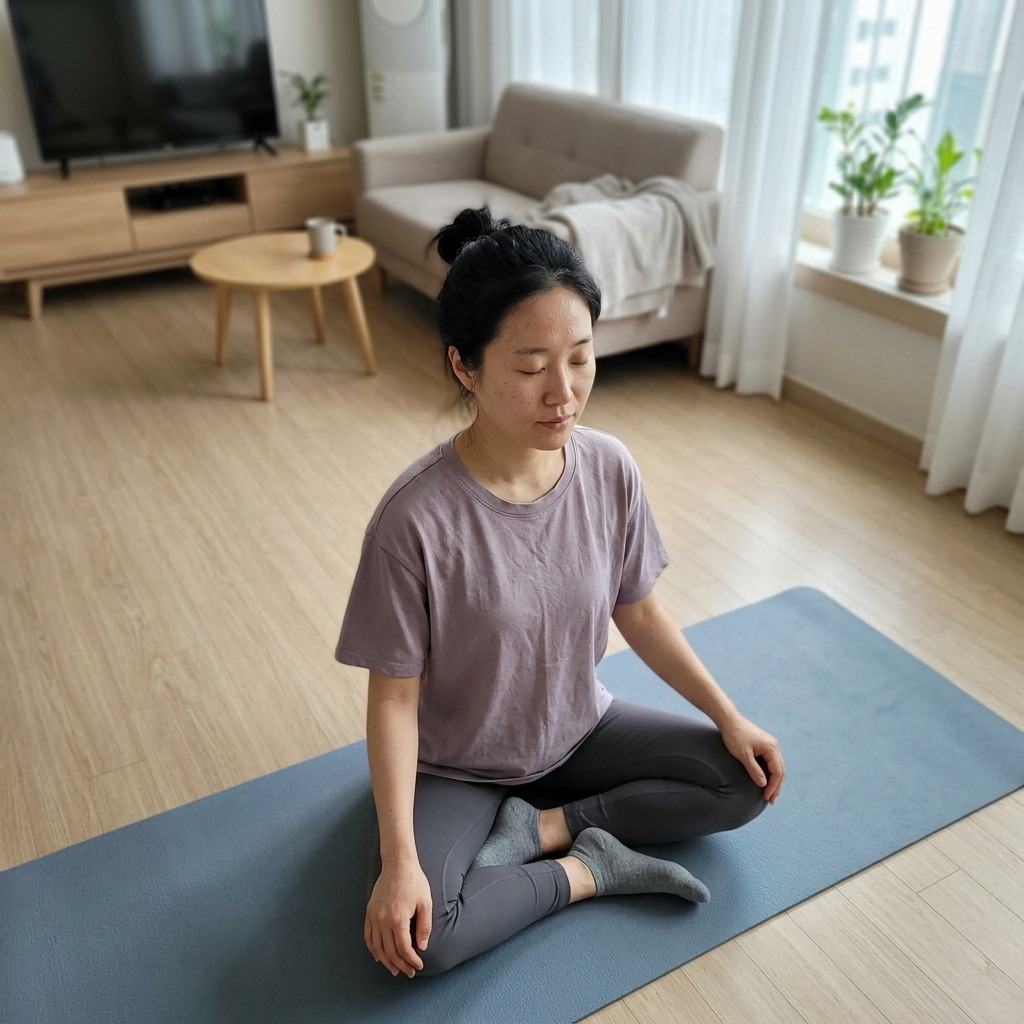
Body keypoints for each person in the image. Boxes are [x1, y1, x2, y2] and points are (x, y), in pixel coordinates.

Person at [335, 207, 786, 980]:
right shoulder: (414, 520)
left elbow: (638, 610)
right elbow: (394, 701)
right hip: (461, 763)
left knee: (742, 783)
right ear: (465, 366)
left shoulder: (608, 467)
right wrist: (398, 858)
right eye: (530, 365)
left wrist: (730, 717)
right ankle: (590, 869)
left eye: (581, 358)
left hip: (579, 730)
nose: (564, 392)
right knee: (427, 939)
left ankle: (551, 827)